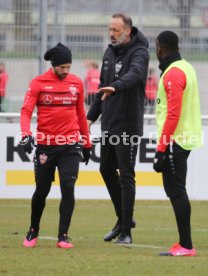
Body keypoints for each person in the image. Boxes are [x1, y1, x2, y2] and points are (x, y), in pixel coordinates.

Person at [20, 43, 92, 249]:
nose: (66, 71)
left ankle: (63, 236)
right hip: (45, 146)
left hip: (69, 145)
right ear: (53, 64)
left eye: (69, 67)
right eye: (62, 67)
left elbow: (80, 114)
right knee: (41, 190)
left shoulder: (77, 83)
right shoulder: (38, 83)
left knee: (68, 187)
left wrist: (86, 143)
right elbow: (26, 111)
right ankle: (33, 229)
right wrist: (25, 135)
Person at [87, 13, 149, 244]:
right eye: (109, 29)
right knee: (105, 169)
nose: (111, 34)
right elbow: (101, 90)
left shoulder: (140, 52)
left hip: (128, 126)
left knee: (126, 176)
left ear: (128, 31)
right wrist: (90, 118)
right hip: (109, 124)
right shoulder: (109, 51)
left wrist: (117, 86)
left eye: (115, 30)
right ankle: (123, 218)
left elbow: (135, 75)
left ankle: (126, 232)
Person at [153, 31, 203, 256]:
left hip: (176, 140)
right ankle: (184, 243)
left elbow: (173, 114)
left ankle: (186, 245)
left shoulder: (173, 73)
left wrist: (161, 149)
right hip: (185, 138)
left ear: (159, 47)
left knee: (176, 191)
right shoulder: (186, 67)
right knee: (175, 190)